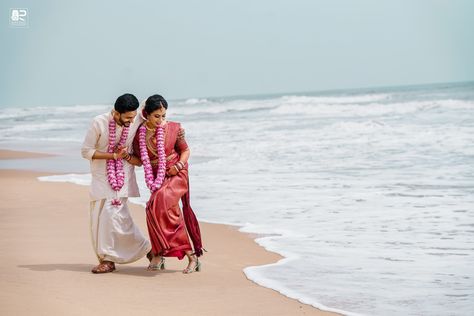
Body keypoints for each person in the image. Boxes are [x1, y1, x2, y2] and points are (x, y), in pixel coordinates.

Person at [133, 94, 204, 274]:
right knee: (152, 209)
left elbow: (185, 151)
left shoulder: (174, 129)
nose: (161, 120)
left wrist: (178, 166)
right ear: (146, 114)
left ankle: (189, 256)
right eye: (157, 116)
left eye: (163, 115)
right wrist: (123, 155)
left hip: (177, 172)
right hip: (157, 177)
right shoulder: (138, 135)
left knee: (161, 201)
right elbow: (139, 161)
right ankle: (161, 254)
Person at [81, 93, 151, 274]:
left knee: (112, 217)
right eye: (127, 117)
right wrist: (112, 156)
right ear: (116, 113)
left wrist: (176, 130)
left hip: (123, 177)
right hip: (101, 176)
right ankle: (147, 249)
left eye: (133, 117)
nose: (131, 121)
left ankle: (109, 259)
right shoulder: (99, 122)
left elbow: (152, 109)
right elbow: (86, 151)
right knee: (102, 218)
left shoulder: (134, 120)